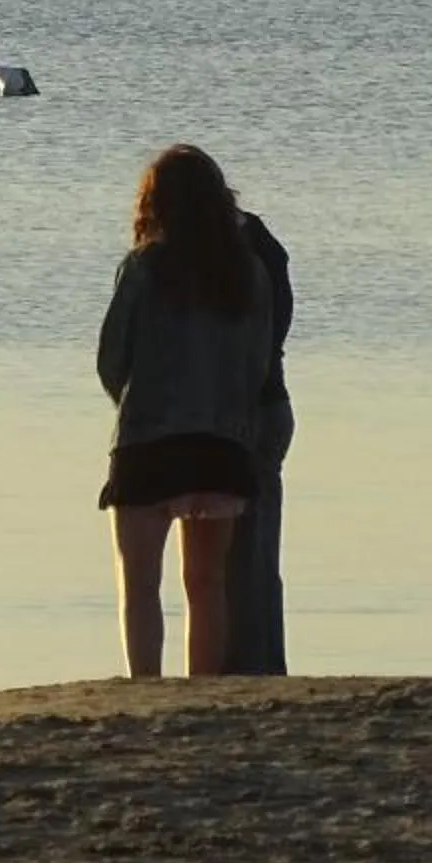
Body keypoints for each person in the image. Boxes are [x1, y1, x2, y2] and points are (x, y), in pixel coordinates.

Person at [95, 145, 274, 678]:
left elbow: (111, 359)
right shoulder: (248, 273)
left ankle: (145, 684)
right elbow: (257, 364)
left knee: (140, 584)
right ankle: (204, 689)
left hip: (148, 442)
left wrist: (133, 403)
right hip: (220, 446)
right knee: (206, 584)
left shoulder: (143, 267)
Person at [225, 210, 296, 675]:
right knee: (258, 548)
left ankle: (246, 665)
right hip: (271, 405)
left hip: (244, 412)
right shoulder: (261, 243)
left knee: (242, 552)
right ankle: (262, 662)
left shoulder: (225, 251)